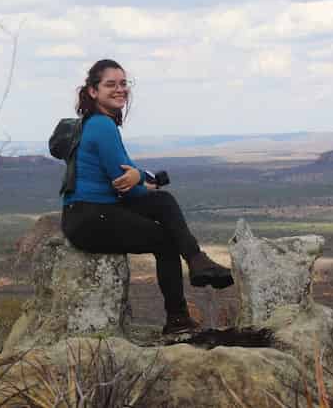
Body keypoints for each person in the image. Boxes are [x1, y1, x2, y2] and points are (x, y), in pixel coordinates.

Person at [60, 59, 234, 334]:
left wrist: (141, 181)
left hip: (95, 212)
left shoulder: (96, 124)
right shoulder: (102, 126)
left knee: (162, 202)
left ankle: (196, 263)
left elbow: (129, 181)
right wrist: (141, 178)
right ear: (93, 91)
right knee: (165, 241)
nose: (119, 89)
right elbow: (123, 178)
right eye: (110, 85)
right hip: (90, 218)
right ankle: (179, 313)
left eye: (123, 84)